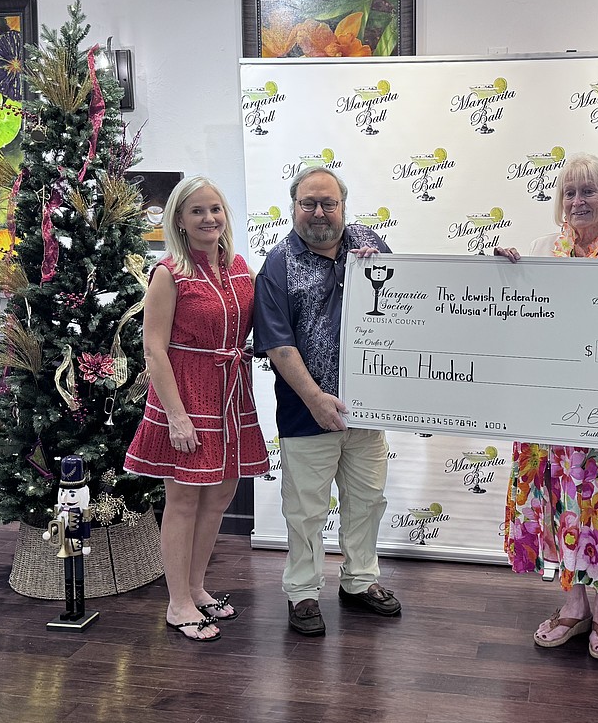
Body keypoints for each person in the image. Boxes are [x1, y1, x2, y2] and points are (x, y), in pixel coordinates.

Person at [494, 152, 598, 659]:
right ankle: (572, 608)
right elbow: (517, 324)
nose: (578, 200)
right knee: (558, 505)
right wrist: (503, 280)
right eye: (569, 191)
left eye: (589, 191)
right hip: (548, 406)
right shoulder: (539, 249)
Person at [253, 166, 400, 637]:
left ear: (343, 205)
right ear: (294, 206)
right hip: (305, 410)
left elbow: (408, 302)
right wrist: (316, 399)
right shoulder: (277, 264)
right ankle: (302, 592)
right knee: (305, 510)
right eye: (308, 203)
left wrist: (381, 266)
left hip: (368, 408)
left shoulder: (367, 242)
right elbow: (278, 344)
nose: (319, 213)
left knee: (366, 501)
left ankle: (358, 582)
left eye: (328, 203)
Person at [124, 176, 268, 642]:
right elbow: (154, 350)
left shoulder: (240, 267)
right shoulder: (168, 273)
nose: (209, 219)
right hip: (186, 393)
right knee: (183, 499)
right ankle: (177, 602)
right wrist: (177, 416)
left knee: (220, 496)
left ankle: (197, 586)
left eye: (215, 209)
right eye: (197, 212)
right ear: (180, 222)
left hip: (232, 391)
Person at [43, 455, 94, 624]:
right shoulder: (61, 512)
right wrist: (51, 533)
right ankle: (68, 607)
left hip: (77, 545)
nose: (66, 497)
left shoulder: (82, 512)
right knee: (67, 576)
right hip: (65, 545)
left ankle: (79, 609)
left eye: (71, 493)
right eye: (64, 492)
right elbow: (57, 524)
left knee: (78, 576)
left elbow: (86, 528)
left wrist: (86, 543)